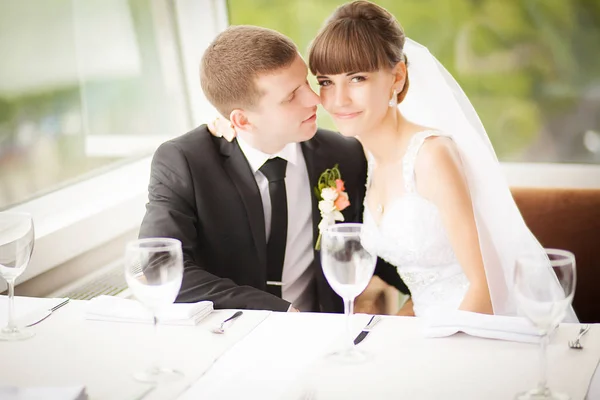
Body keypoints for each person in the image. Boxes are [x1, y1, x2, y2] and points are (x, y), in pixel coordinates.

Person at [303, 0, 577, 319]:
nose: (338, 100)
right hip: (431, 327)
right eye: (325, 82)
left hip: (478, 328)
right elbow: (424, 293)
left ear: (397, 78)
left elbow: (485, 288)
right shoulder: (366, 159)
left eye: (357, 78)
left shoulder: (431, 155)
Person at [138, 24, 408, 313]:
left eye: (306, 82)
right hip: (227, 337)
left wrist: (433, 289)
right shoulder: (186, 162)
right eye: (291, 96)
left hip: (321, 334)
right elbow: (158, 266)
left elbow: (369, 247)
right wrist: (277, 311)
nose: (314, 98)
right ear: (242, 121)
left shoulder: (342, 154)